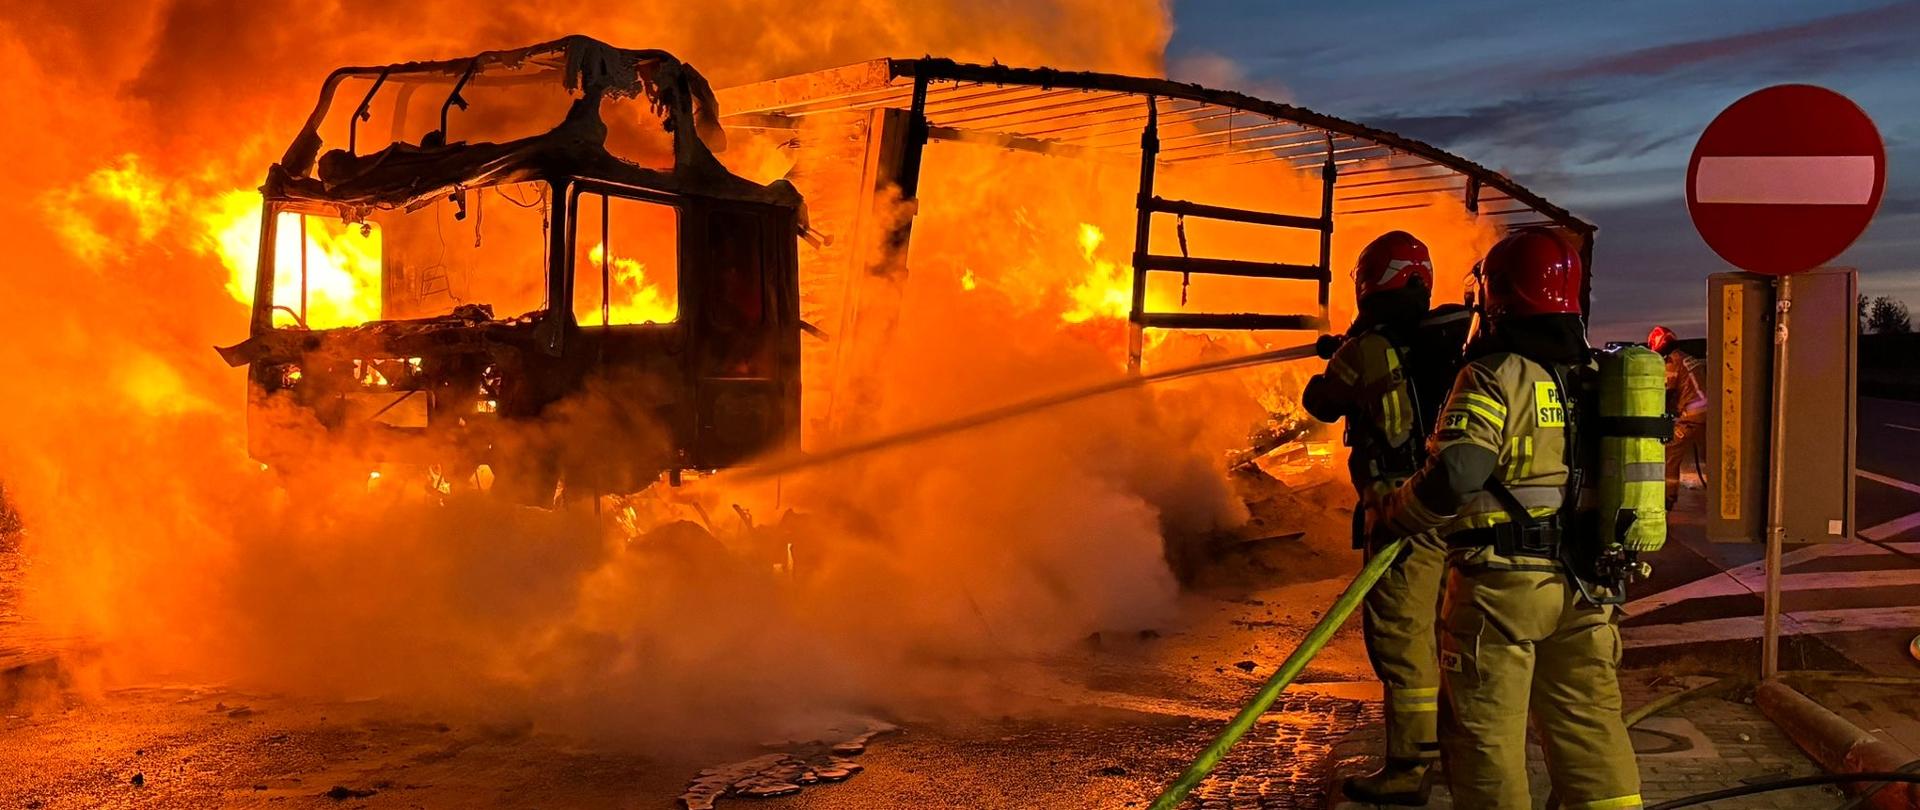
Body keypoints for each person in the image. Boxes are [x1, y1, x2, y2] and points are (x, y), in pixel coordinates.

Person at [1373, 228, 1642, 810]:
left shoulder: (1497, 374)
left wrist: (1396, 515)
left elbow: (1459, 470)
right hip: (1587, 588)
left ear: (1497, 294)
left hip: (1503, 589)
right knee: (1590, 728)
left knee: (1483, 736)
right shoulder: (1600, 377)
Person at [1302, 231, 1456, 805]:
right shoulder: (1448, 339)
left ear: (1371, 280)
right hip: (1449, 501)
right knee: (1447, 631)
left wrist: (1341, 350)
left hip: (1398, 508)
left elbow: (1322, 401)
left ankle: (1409, 771)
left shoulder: (1366, 348)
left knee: (1401, 637)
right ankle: (1452, 748)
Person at [1647, 325, 1708, 509]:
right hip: (1706, 415)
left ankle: (1667, 498)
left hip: (1691, 417)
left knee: (1669, 452)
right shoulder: (1687, 358)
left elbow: (1666, 392)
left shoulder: (1672, 362)